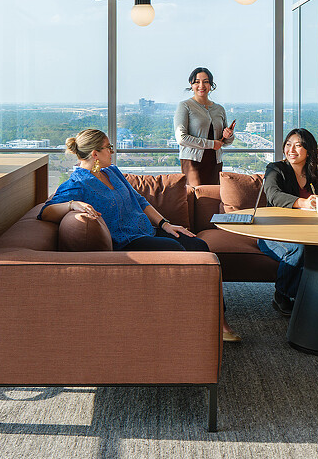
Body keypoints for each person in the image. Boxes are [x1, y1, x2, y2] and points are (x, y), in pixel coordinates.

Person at [40, 128, 239, 342]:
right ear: (95, 154)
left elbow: (141, 202)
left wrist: (165, 225)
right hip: (126, 244)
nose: (112, 152)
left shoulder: (112, 172)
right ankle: (197, 321)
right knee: (178, 252)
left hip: (147, 232)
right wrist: (72, 205)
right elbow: (46, 211)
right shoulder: (77, 184)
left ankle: (219, 318)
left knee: (198, 245)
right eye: (109, 148)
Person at [257, 128, 318, 317]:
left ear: (309, 150)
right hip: (273, 232)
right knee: (298, 248)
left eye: (298, 145)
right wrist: (303, 202)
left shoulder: (317, 176)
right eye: (288, 145)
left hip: (309, 232)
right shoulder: (275, 169)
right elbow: (273, 195)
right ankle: (283, 295)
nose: (291, 150)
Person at [174, 67, 235, 186]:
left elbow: (226, 142)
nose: (201, 85)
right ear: (191, 84)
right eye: (197, 82)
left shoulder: (219, 109)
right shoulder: (185, 106)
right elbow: (181, 138)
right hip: (193, 162)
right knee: (196, 197)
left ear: (211, 85)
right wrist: (212, 144)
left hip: (215, 162)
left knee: (214, 199)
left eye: (206, 81)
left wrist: (229, 135)